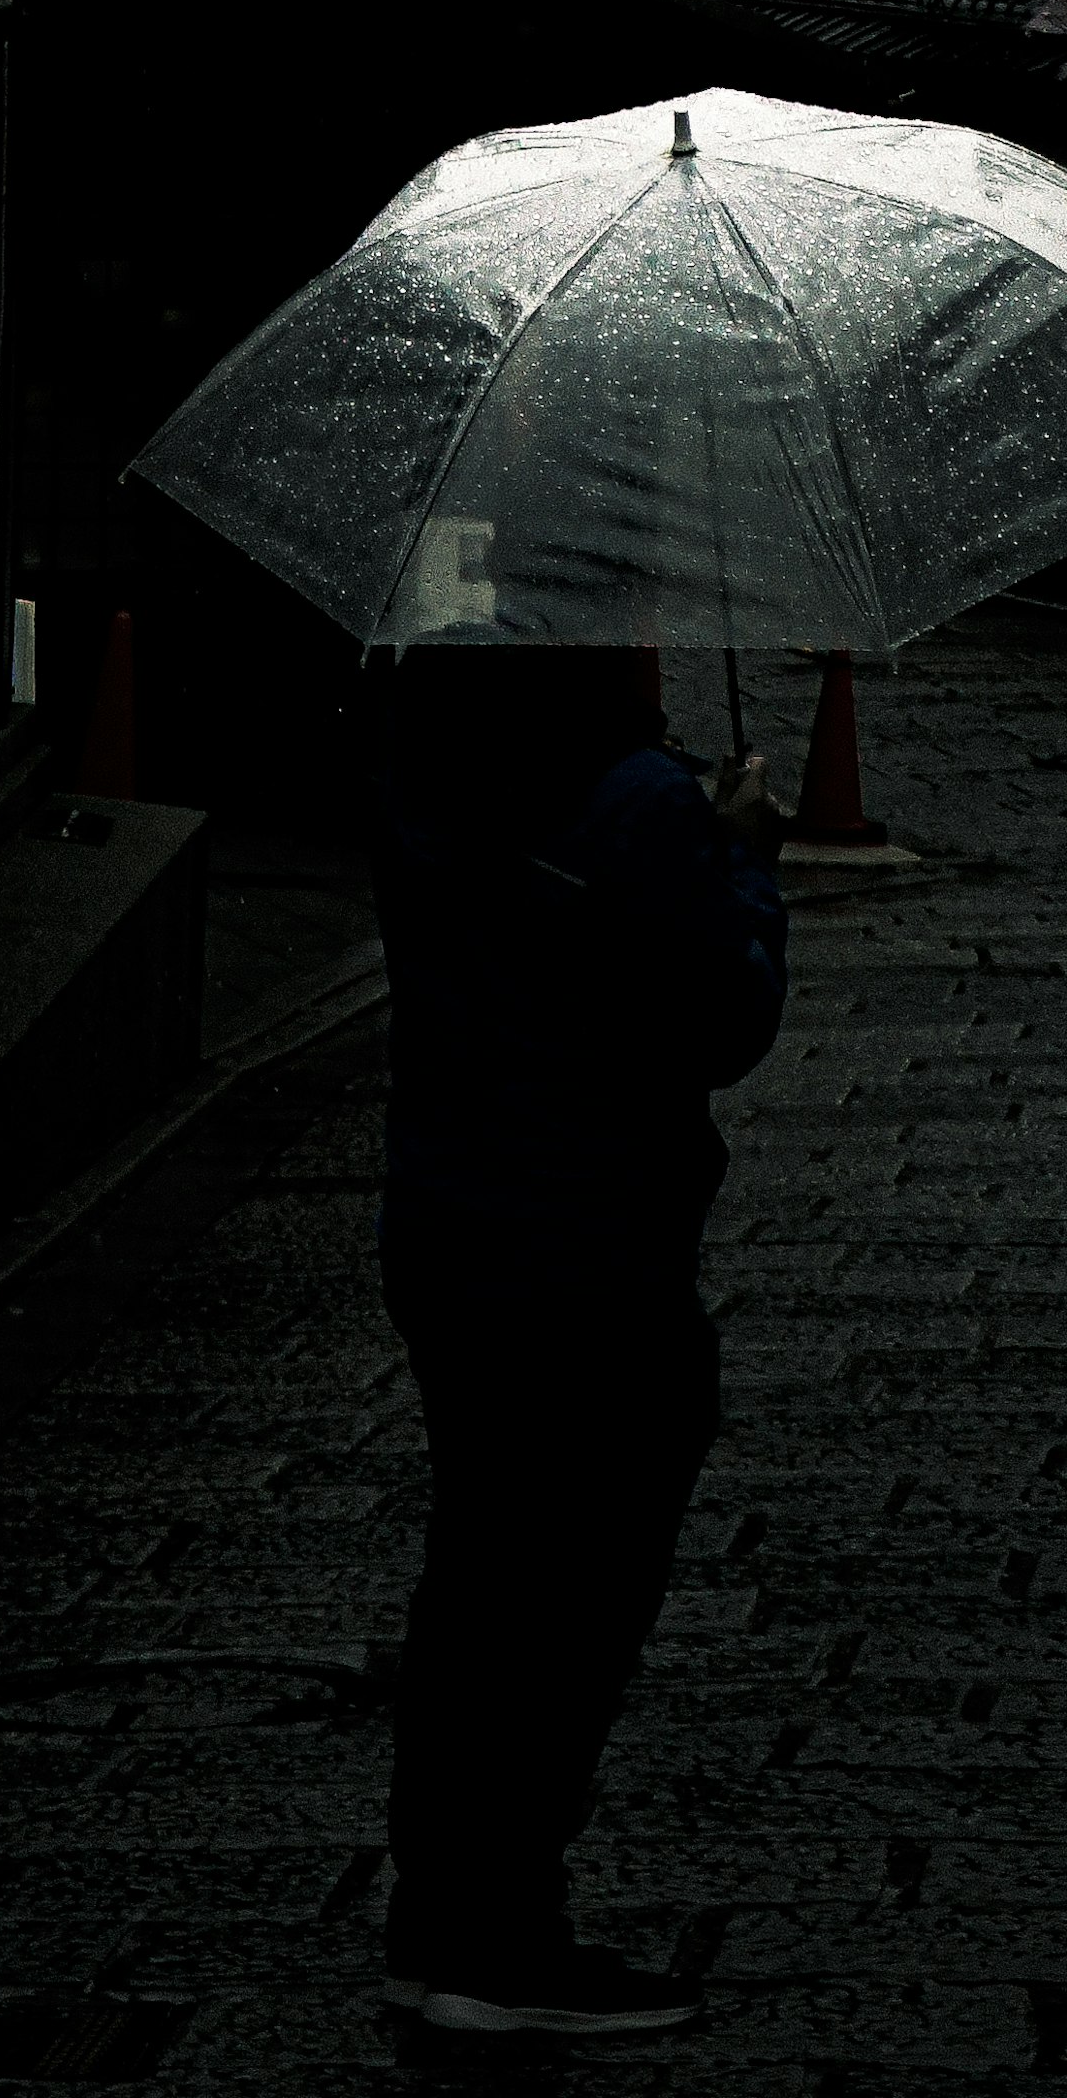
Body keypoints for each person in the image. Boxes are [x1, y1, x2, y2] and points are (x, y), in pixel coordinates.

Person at [371, 642, 790, 2041]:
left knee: (482, 1577)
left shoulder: (424, 782)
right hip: (595, 1241)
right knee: (575, 1593)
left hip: (453, 1224)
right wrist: (743, 858)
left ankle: (444, 1914)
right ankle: (507, 1938)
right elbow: (720, 1020)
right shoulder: (635, 800)